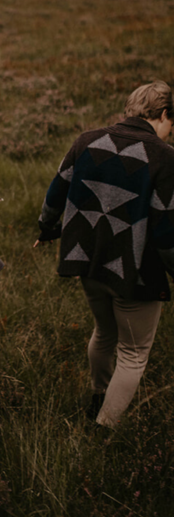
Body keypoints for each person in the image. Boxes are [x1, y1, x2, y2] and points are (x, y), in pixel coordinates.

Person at [35, 81, 174, 427]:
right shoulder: (164, 157)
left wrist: (47, 229)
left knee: (105, 332)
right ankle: (103, 429)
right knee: (133, 354)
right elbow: (165, 232)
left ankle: (97, 397)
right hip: (136, 273)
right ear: (164, 114)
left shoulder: (86, 141)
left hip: (89, 262)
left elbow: (56, 193)